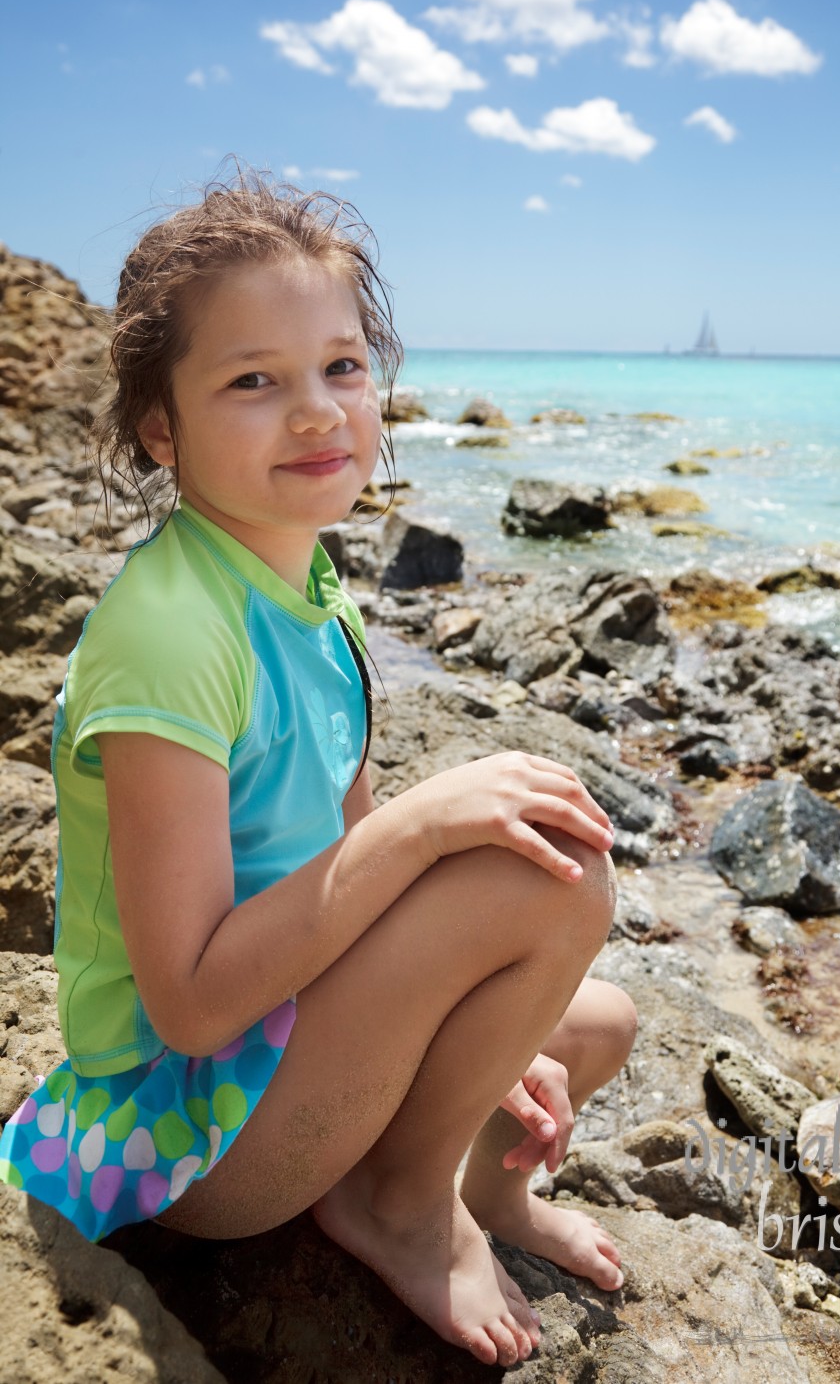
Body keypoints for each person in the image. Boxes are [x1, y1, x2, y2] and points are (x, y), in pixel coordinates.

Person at [0, 169, 638, 1368]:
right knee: (557, 881)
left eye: (342, 368)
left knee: (593, 1025)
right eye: (254, 380)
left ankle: (484, 1198)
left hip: (282, 1032)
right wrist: (431, 820)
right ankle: (394, 1202)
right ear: (159, 426)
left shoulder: (310, 588)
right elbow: (187, 1000)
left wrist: (470, 1041)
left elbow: (344, 874)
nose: (315, 412)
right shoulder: (170, 631)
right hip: (185, 1123)